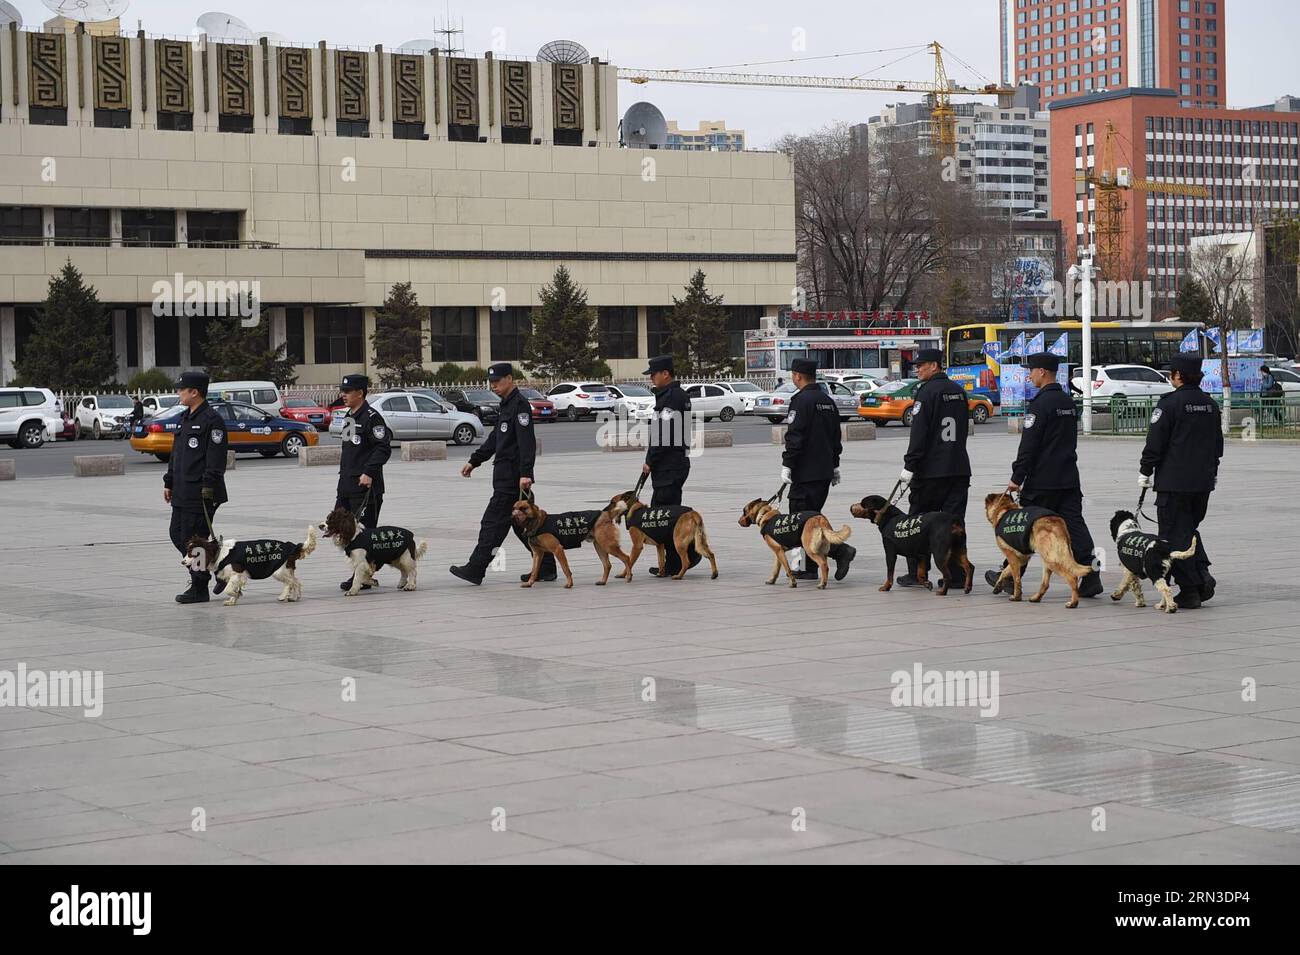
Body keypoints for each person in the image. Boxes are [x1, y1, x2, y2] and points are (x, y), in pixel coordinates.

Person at [985, 352, 1103, 597]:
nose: (1029, 376)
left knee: (1024, 528)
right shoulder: (1068, 403)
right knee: (1075, 526)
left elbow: (1030, 445)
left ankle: (1008, 576)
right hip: (1068, 477)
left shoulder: (1040, 405)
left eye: (1031, 371)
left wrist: (1017, 477)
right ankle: (1091, 575)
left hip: (1042, 481)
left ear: (1042, 372)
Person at [450, 362, 555, 584]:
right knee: (524, 525)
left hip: (513, 480)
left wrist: (526, 473)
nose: (494, 386)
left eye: (497, 381)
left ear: (509, 379)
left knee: (492, 525)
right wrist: (475, 460)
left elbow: (527, 442)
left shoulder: (520, 406)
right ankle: (546, 568)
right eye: (491, 383)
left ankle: (475, 569)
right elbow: (496, 438)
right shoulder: (506, 405)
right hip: (506, 477)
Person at [1139, 353, 1223, 609]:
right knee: (1187, 531)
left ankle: (1191, 589)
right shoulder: (1210, 404)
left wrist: (1145, 471)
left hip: (1174, 484)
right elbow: (1218, 445)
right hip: (1202, 483)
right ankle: (1202, 579)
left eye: (1171, 373)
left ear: (1178, 375)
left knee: (1174, 536)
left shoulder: (1169, 404)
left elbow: (1155, 442)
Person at [897, 348, 972, 588]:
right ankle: (958, 575)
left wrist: (910, 465)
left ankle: (917, 573)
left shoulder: (926, 392)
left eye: (921, 365)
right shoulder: (959, 392)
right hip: (958, 467)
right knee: (954, 523)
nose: (917, 369)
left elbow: (919, 434)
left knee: (917, 523)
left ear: (934, 366)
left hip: (930, 471)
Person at [780, 357, 856, 580]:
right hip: (823, 472)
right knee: (811, 518)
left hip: (805, 471)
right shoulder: (827, 401)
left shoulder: (801, 401)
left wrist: (787, 464)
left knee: (798, 519)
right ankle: (812, 565)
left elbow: (795, 437)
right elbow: (835, 437)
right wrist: (834, 465)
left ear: (797, 376)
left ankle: (814, 562)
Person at [164, 371, 228, 604]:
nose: (179, 393)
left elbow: (216, 459)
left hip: (200, 492)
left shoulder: (213, 420)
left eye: (182, 389)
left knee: (195, 539)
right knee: (176, 534)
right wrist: (169, 481)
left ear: (195, 392)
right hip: (182, 490)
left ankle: (200, 587)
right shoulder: (184, 418)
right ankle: (215, 568)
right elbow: (176, 455)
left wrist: (208, 488)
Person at [334, 374, 392, 590]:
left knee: (364, 533)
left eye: (347, 392)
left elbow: (383, 448)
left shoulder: (372, 418)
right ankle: (364, 571)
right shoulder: (349, 416)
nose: (343, 395)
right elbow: (349, 450)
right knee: (342, 530)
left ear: (360, 393)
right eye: (342, 391)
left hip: (366, 487)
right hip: (347, 486)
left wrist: (368, 472)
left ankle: (363, 575)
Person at [641, 354, 694, 577]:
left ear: (665, 373)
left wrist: (649, 461)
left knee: (663, 517)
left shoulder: (671, 397)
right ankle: (672, 562)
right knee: (667, 515)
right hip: (673, 463)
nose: (651, 379)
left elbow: (664, 435)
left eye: (653, 374)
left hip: (668, 466)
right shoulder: (674, 395)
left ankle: (680, 561)